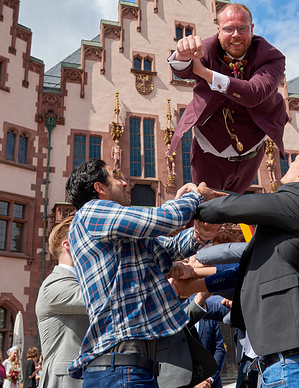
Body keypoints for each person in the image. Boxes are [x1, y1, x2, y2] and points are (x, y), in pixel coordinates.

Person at [192, 145, 299, 388]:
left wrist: (192, 204)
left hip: (296, 366)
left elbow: (240, 208)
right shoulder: (298, 208)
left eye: (294, 160)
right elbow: (250, 207)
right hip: (289, 365)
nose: (288, 164)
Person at [64, 158, 219, 386]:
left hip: (130, 367)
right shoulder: (91, 212)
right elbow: (164, 219)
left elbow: (167, 249)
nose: (125, 183)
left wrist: (200, 235)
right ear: (100, 188)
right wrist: (195, 196)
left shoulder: (121, 236)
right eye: (115, 177)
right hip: (120, 367)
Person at [168, 3, 288, 193]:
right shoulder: (207, 48)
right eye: (228, 29)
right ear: (218, 30)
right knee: (203, 211)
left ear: (252, 29)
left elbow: (254, 93)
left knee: (234, 210)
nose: (236, 35)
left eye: (242, 28)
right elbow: (181, 70)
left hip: (251, 153)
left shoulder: (272, 57)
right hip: (208, 155)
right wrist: (181, 56)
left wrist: (206, 73)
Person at [36, 217, 89, 388]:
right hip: (65, 380)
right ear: (68, 244)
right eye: (86, 238)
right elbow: (100, 299)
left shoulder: (80, 281)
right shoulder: (54, 284)